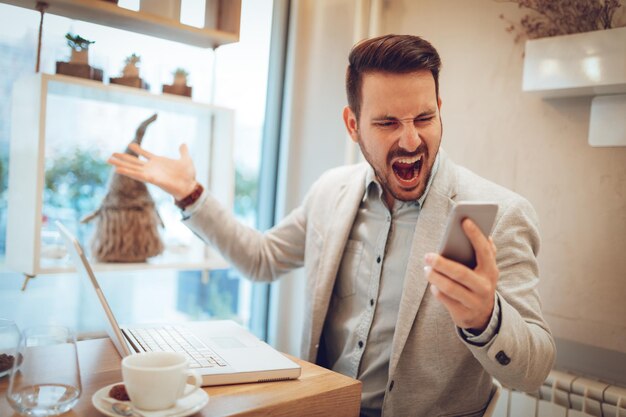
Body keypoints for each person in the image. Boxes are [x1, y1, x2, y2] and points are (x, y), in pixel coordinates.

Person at [108, 34, 555, 417]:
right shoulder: (330, 192)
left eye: (424, 118)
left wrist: (485, 320)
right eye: (386, 122)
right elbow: (262, 260)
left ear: (440, 109)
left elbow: (532, 371)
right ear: (352, 124)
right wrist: (192, 196)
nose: (411, 139)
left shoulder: (501, 213)